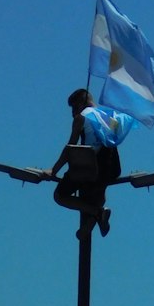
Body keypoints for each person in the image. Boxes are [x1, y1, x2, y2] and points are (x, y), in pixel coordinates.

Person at [43, 89, 130, 241]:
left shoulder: (81, 118)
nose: (72, 113)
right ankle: (95, 216)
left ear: (81, 104)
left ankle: (96, 212)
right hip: (111, 169)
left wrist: (53, 170)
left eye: (74, 108)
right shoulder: (109, 117)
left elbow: (70, 148)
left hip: (90, 169)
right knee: (98, 191)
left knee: (60, 196)